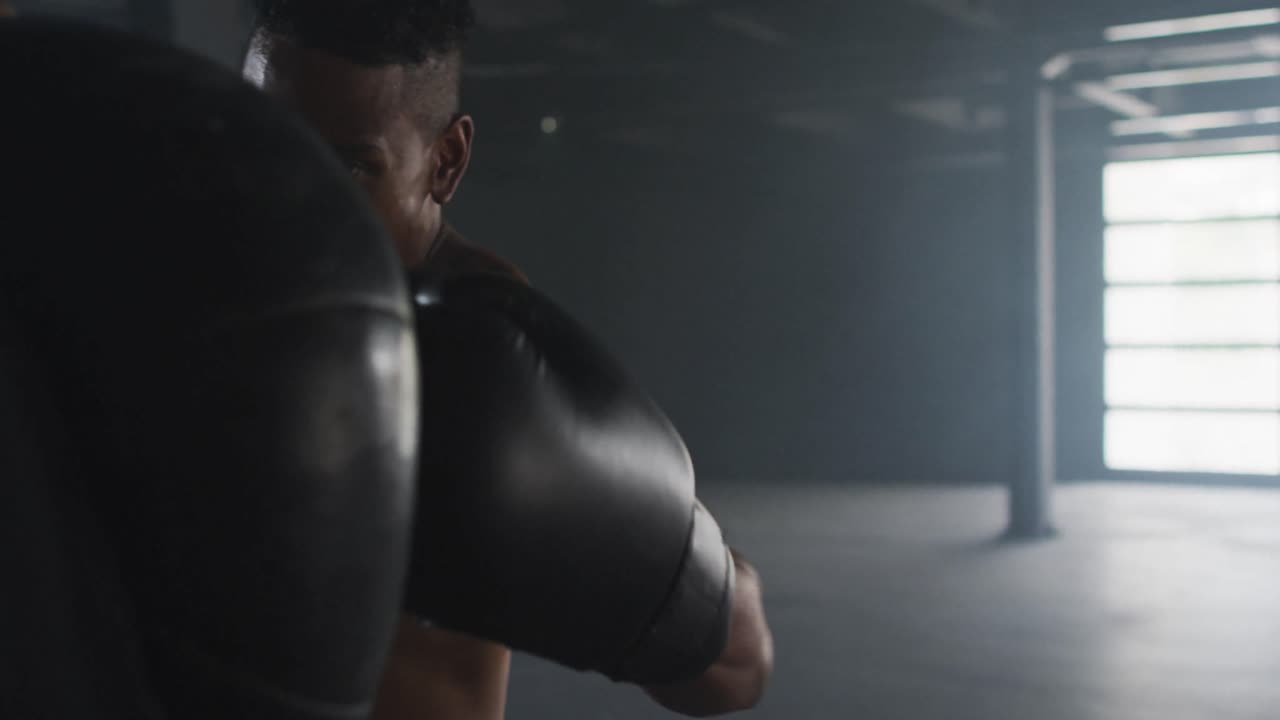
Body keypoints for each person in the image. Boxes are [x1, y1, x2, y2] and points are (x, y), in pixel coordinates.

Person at [242, 2, 774, 718]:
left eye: (351, 168)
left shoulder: (480, 375)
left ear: (446, 162)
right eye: (270, 147)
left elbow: (737, 666)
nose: (293, 202)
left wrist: (654, 542)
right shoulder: (199, 292)